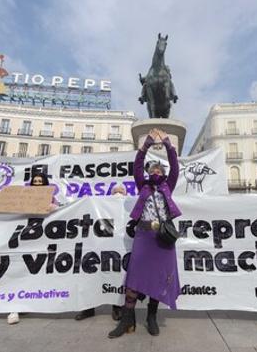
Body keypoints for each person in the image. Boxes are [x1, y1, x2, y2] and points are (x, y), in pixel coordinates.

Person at [108, 128, 181, 338]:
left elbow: (175, 166)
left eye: (159, 170)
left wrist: (168, 144)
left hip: (163, 239)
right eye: (153, 170)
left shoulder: (169, 185)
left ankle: (151, 317)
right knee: (134, 277)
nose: (156, 172)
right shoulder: (143, 186)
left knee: (159, 278)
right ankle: (127, 320)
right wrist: (146, 145)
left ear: (164, 173)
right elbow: (137, 166)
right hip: (143, 236)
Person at [7, 173, 57, 325]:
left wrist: (52, 208)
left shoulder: (51, 199)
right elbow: (9, 208)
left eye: (40, 182)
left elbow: (59, 210)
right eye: (34, 181)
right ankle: (14, 306)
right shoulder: (22, 197)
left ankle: (31, 299)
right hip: (22, 240)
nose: (37, 184)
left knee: (35, 270)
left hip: (41, 240)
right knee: (18, 270)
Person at [75, 185, 127, 322]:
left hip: (119, 249)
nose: (118, 194)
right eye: (115, 192)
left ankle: (117, 307)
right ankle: (88, 308)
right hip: (99, 248)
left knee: (117, 277)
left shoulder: (129, 207)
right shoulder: (100, 205)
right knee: (92, 277)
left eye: (121, 192)